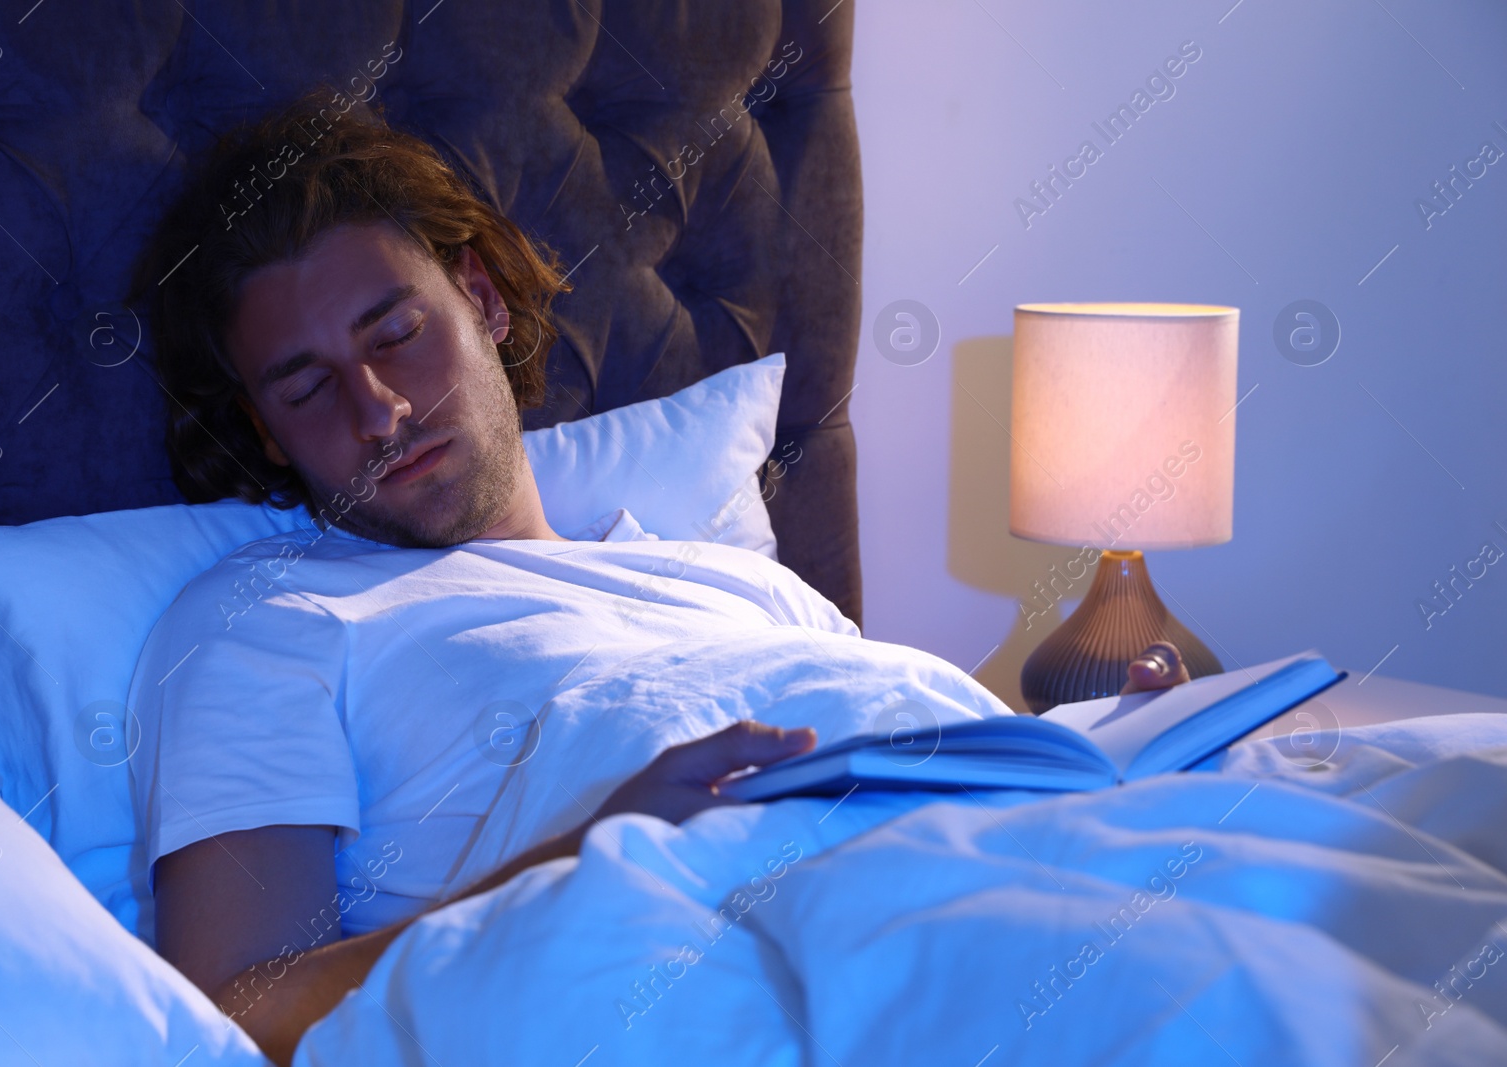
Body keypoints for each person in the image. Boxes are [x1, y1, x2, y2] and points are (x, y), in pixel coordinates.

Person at [129, 90, 1191, 1065]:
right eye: (307, 387)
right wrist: (583, 850)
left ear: (484, 302)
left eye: (398, 335)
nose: (378, 411)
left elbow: (907, 749)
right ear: (266, 433)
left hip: (1006, 865)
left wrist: (1108, 752)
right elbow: (229, 1012)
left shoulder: (735, 585)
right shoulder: (264, 619)